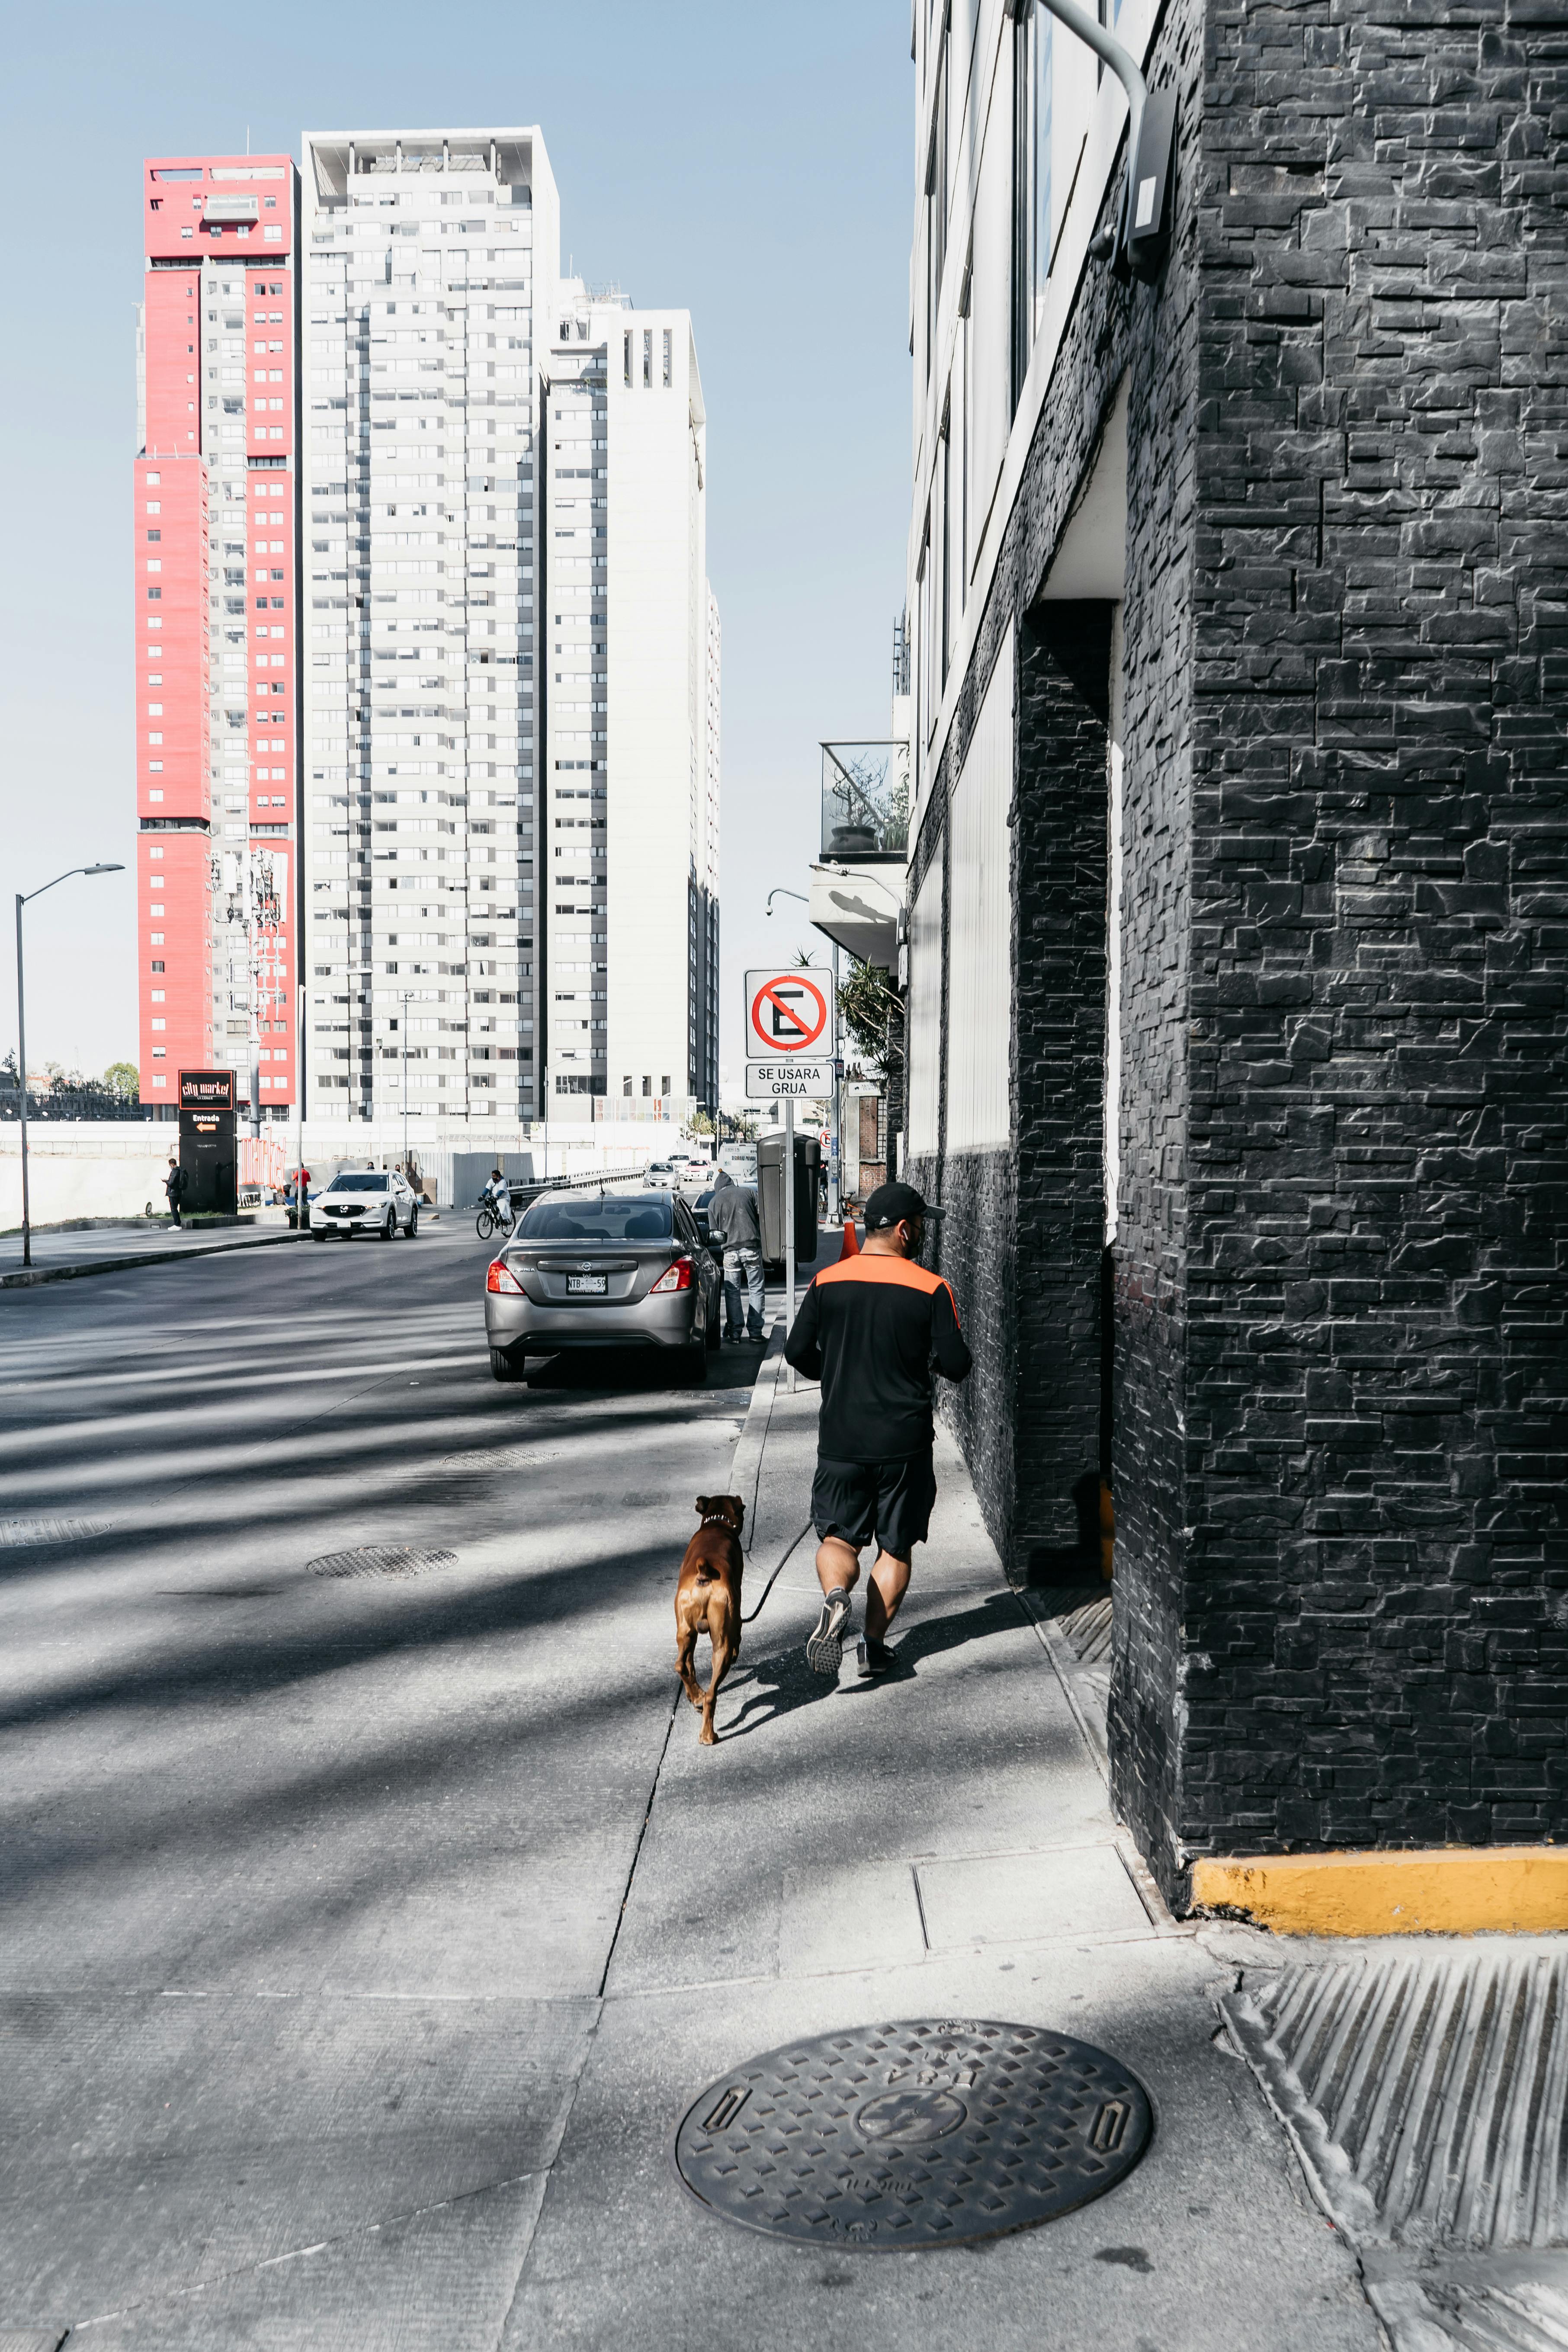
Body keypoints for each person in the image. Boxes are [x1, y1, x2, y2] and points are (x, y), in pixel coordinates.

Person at [784, 1180, 971, 1680]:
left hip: (842, 1439)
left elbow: (796, 1351)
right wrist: (924, 1362)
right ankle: (872, 1646)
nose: (925, 1237)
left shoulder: (827, 1281)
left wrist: (836, 1374)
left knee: (840, 1539)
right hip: (902, 1444)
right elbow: (957, 1364)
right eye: (922, 1228)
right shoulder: (931, 1288)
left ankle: (835, 1596)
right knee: (894, 1545)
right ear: (906, 1231)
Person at [707, 1168, 764, 1344]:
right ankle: (755, 1333)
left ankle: (735, 1334)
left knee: (733, 1292)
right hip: (751, 1248)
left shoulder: (713, 1203)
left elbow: (715, 1235)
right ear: (732, 1183)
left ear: (718, 1188)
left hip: (730, 1253)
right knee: (755, 1287)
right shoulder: (749, 1193)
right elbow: (762, 1216)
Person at [163, 1156, 188, 1229]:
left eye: (170, 1165)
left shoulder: (174, 1171)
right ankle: (178, 1224)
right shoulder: (181, 1170)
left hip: (173, 1193)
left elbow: (171, 1183)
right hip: (179, 1192)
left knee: (173, 1209)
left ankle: (177, 1225)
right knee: (175, 1209)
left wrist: (166, 1181)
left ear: (172, 1164)